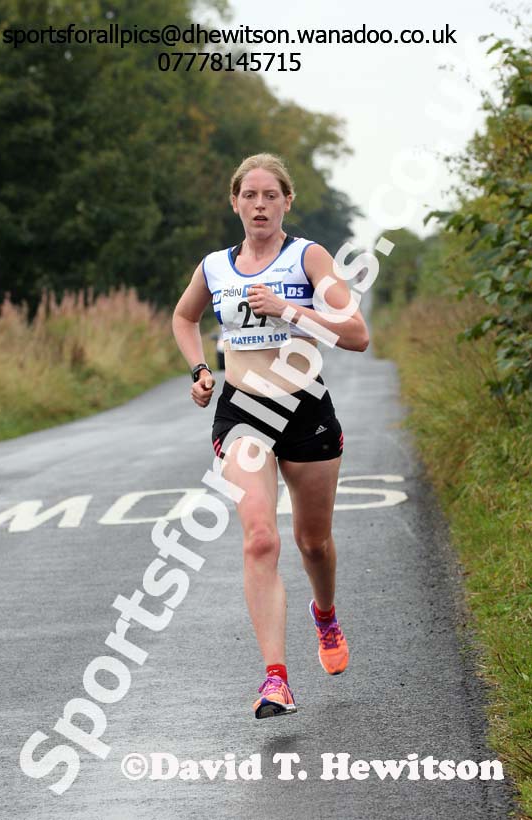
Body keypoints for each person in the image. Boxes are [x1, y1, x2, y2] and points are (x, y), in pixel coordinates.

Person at [172, 153, 369, 719]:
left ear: (287, 202)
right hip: (242, 413)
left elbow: (356, 334)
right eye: (249, 195)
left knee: (313, 543)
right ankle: (275, 680)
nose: (259, 205)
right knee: (260, 536)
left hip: (305, 410)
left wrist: (289, 309)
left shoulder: (307, 257)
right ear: (234, 202)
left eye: (270, 196)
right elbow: (184, 318)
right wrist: (200, 370)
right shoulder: (214, 267)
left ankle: (325, 617)